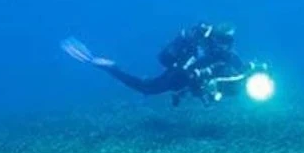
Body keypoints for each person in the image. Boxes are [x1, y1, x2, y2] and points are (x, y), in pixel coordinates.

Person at [62, 22, 250, 106]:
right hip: (180, 75)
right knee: (147, 88)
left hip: (195, 82)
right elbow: (184, 70)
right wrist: (195, 77)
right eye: (221, 40)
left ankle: (108, 67)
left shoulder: (227, 54)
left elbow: (241, 69)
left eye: (228, 42)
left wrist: (255, 71)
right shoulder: (199, 47)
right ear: (215, 38)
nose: (224, 45)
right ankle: (109, 67)